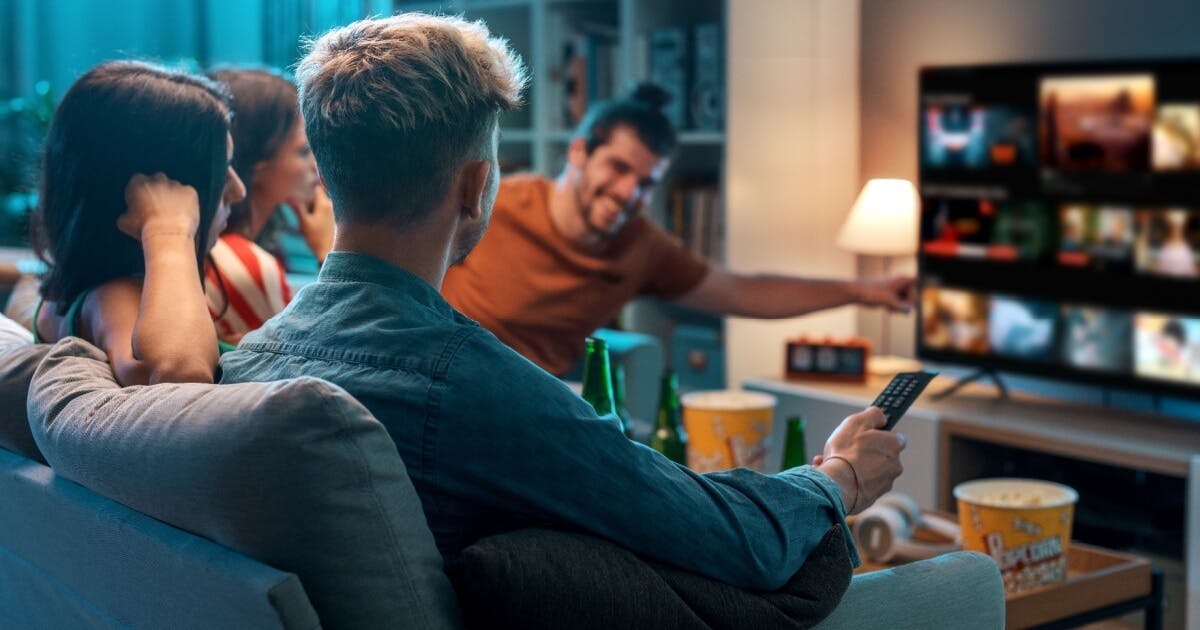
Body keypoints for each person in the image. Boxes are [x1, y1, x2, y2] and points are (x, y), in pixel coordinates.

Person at [220, 13, 905, 590]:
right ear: (476, 186)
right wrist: (839, 478)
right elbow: (736, 542)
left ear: (329, 170)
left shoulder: (245, 363)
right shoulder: (472, 382)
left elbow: (737, 289)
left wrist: (859, 288)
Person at [442, 84, 916, 376]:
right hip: (444, 372)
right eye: (619, 168)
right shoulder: (499, 200)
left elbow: (744, 293)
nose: (630, 193)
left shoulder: (641, 247)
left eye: (646, 182)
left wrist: (863, 290)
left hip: (534, 403)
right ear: (580, 152)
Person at [31, 61, 245, 385]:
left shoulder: (70, 294)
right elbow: (179, 373)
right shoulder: (112, 295)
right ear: (156, 190)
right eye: (221, 172)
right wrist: (168, 229)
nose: (238, 190)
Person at [205, 68, 334, 346]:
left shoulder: (234, 250)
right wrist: (329, 252)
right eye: (302, 152)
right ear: (257, 166)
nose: (316, 164)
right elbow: (319, 355)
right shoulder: (242, 263)